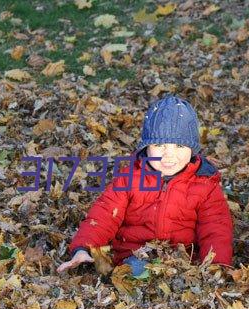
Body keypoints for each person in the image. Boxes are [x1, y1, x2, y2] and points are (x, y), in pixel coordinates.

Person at [57, 95, 233, 276]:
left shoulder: (204, 184)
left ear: (193, 149)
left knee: (181, 278)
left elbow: (215, 228)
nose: (169, 155)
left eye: (179, 145)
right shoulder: (129, 178)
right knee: (138, 273)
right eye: (159, 144)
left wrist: (215, 266)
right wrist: (84, 248)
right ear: (146, 147)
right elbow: (104, 215)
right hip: (135, 255)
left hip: (183, 261)